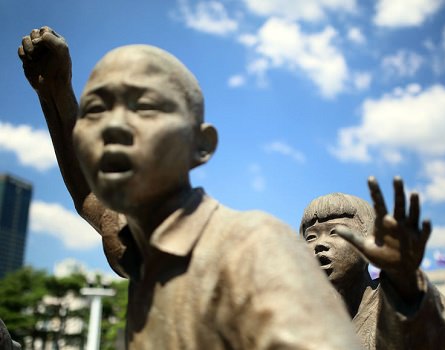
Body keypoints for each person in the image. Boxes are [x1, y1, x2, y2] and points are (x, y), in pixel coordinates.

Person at [19, 27, 361, 349]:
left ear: (202, 145)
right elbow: (90, 196)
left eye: (144, 107)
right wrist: (55, 93)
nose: (113, 127)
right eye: (95, 110)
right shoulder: (138, 245)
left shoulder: (254, 247)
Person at [300, 177, 445, 349]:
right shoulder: (310, 321)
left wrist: (402, 278)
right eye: (311, 237)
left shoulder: (393, 300)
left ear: (370, 238)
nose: (319, 244)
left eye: (335, 232)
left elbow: (435, 335)